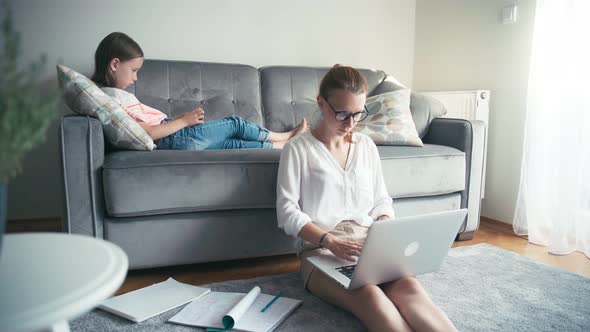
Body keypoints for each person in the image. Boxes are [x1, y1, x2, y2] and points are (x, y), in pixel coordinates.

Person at [276, 65, 458, 332]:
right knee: (370, 295)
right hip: (322, 249)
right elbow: (287, 211)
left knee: (410, 290)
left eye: (357, 114)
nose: (350, 124)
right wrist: (329, 241)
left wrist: (384, 225)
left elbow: (381, 199)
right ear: (321, 104)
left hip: (370, 245)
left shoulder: (366, 146)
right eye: (342, 114)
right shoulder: (298, 149)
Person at [91, 32, 307, 150]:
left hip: (174, 139)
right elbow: (145, 132)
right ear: (114, 64)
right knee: (235, 124)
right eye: (134, 70)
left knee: (235, 144)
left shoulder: (106, 96)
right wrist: (184, 121)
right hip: (176, 135)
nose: (135, 78)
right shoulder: (112, 98)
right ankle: (286, 135)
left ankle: (286, 145)